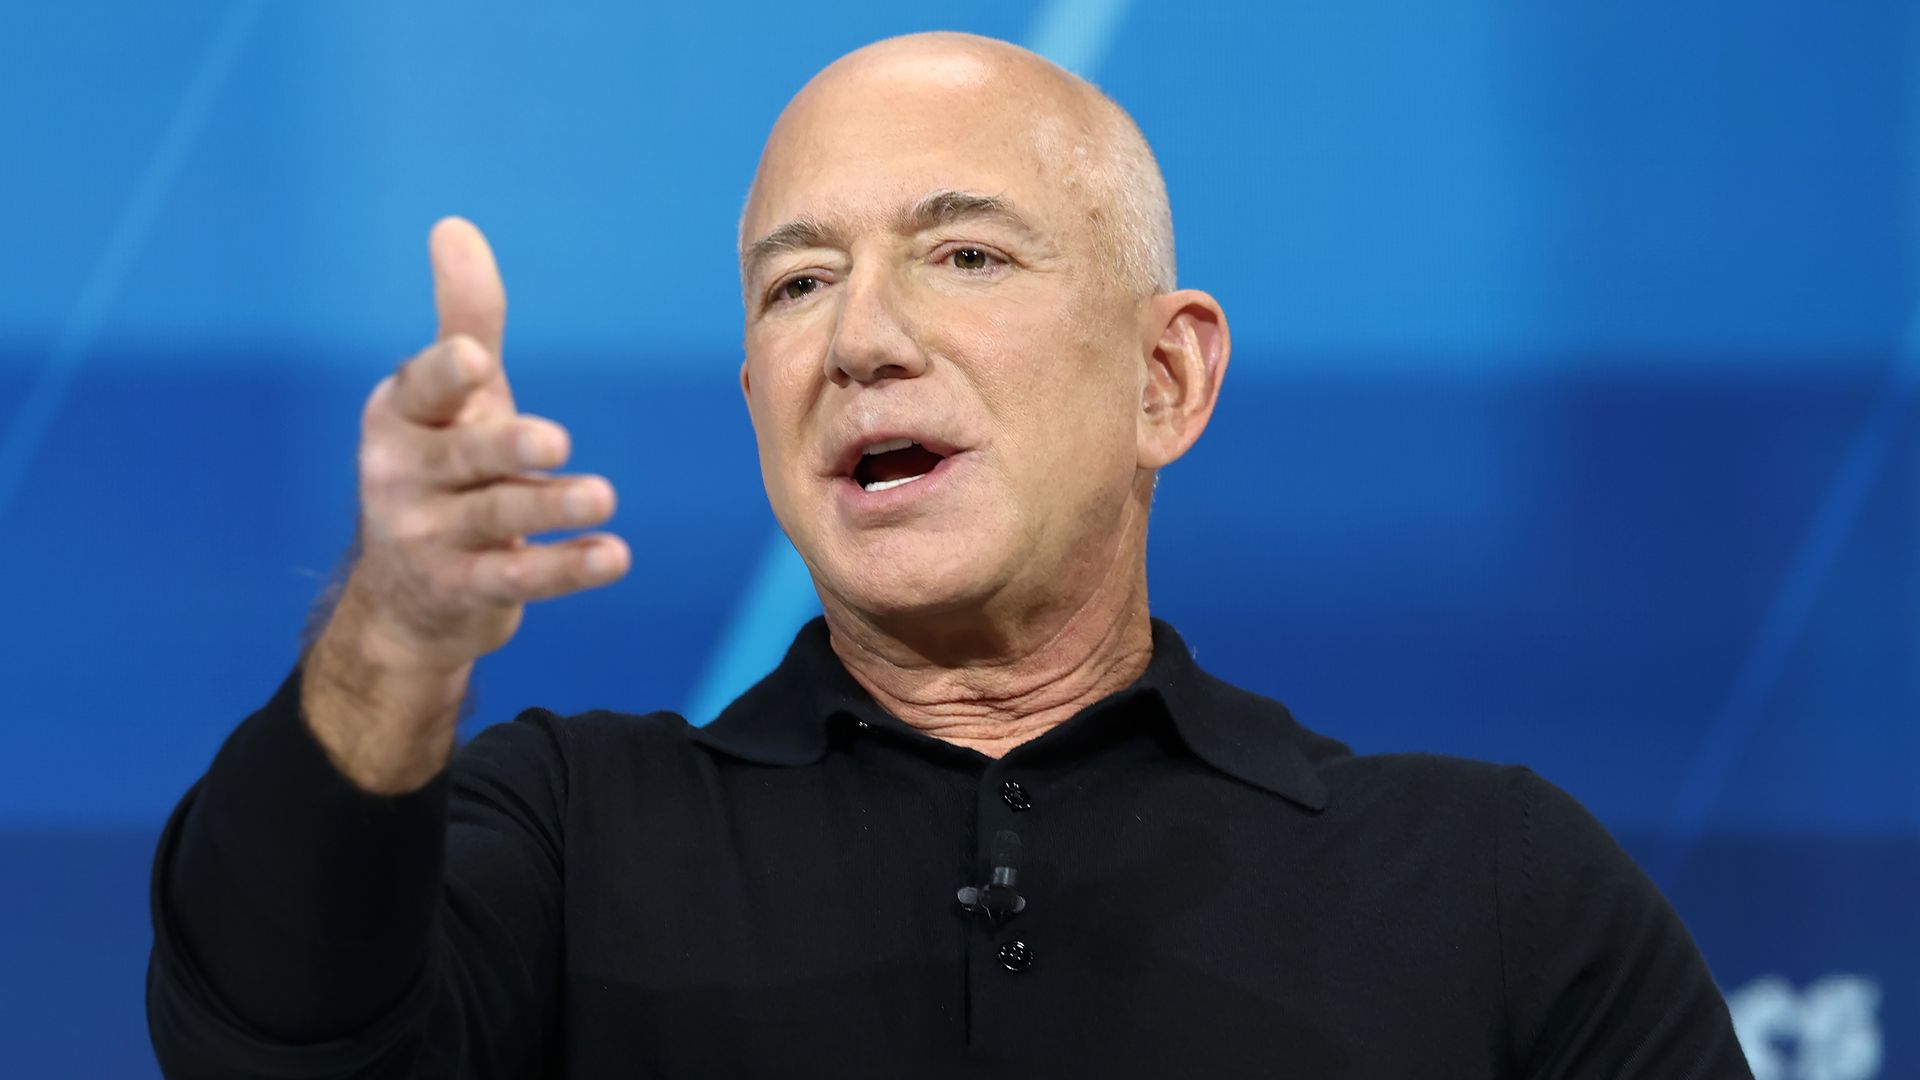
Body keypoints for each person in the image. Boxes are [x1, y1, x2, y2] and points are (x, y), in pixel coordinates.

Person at [147, 31, 1753, 1079]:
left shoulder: (1489, 885)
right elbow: (265, 1038)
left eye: (963, 253)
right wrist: (400, 636)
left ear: (1166, 377)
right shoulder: (567, 839)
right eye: (794, 287)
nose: (860, 338)